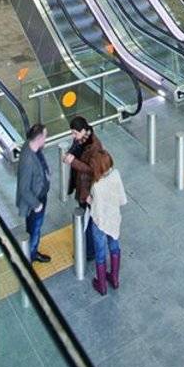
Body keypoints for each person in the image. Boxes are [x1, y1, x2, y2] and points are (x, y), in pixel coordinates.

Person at [87, 149, 127, 295]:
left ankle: (102, 285)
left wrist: (89, 201)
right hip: (114, 219)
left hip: (100, 223)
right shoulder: (116, 175)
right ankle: (115, 279)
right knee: (114, 247)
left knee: (100, 253)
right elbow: (122, 199)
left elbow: (96, 207)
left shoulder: (96, 186)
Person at [62, 116, 102, 259]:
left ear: (84, 130)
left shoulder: (94, 145)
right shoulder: (81, 138)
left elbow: (93, 169)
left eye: (75, 133)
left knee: (89, 220)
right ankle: (86, 247)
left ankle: (89, 252)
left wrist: (73, 162)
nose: (73, 136)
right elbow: (75, 148)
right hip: (80, 184)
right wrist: (70, 154)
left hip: (88, 188)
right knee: (85, 217)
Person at [16, 123, 51, 263]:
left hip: (41, 194)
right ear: (39, 138)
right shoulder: (27, 160)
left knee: (35, 227)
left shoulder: (34, 148)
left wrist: (46, 172)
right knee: (34, 229)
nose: (46, 139)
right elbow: (24, 189)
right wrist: (37, 205)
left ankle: (33, 251)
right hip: (35, 201)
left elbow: (40, 162)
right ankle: (30, 256)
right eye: (45, 136)